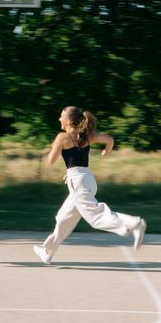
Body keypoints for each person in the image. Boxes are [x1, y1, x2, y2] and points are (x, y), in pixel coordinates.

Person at [33, 106, 146, 264]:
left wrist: (55, 145)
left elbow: (51, 161)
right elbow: (109, 140)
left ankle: (133, 224)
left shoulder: (62, 137)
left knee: (95, 218)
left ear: (69, 120)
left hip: (78, 183)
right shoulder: (87, 135)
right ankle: (48, 250)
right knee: (63, 218)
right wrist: (107, 151)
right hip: (87, 180)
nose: (59, 119)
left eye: (61, 116)